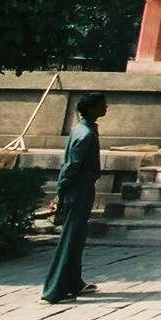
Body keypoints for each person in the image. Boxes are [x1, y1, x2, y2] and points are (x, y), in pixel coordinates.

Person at [41, 93, 107, 304]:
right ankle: (55, 290)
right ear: (92, 109)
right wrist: (60, 193)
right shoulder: (85, 134)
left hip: (81, 188)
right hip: (79, 190)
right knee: (70, 239)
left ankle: (74, 282)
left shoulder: (81, 128)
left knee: (76, 238)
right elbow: (71, 167)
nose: (106, 108)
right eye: (102, 105)